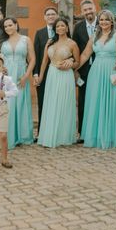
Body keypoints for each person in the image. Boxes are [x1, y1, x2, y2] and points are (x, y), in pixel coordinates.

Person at [77, 10, 116, 149]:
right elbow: (86, 54)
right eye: (101, 20)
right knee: (96, 102)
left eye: (106, 20)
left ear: (112, 21)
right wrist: (74, 68)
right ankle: (94, 135)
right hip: (96, 72)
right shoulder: (94, 36)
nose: (103, 22)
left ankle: (110, 136)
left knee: (111, 103)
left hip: (112, 71)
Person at [0, 17, 35, 148]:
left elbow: (32, 59)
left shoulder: (26, 40)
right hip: (5, 77)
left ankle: (22, 136)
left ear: (16, 25)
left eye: (10, 25)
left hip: (21, 75)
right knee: (7, 105)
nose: (8, 28)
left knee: (20, 103)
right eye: (5, 26)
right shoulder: (1, 41)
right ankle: (7, 136)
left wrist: (26, 76)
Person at [36, 18, 80, 148]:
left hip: (65, 76)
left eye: (62, 26)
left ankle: (63, 136)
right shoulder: (50, 43)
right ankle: (48, 134)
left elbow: (77, 62)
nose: (60, 28)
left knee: (63, 103)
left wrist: (70, 63)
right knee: (51, 103)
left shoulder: (72, 44)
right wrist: (40, 77)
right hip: (51, 74)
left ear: (67, 28)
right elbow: (44, 61)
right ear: (55, 29)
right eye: (58, 26)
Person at [72, 0, 97, 143]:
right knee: (83, 100)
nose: (88, 12)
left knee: (99, 99)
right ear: (82, 13)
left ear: (95, 8)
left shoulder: (105, 23)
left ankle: (97, 130)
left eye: (90, 8)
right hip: (84, 71)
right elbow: (76, 50)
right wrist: (76, 71)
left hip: (101, 69)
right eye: (85, 10)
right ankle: (82, 132)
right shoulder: (78, 27)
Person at [33, 7, 58, 134]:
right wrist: (36, 73)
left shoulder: (62, 31)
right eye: (48, 14)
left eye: (53, 14)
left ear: (57, 16)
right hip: (43, 74)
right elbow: (35, 55)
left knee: (57, 101)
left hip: (58, 73)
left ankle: (55, 130)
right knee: (42, 101)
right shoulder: (39, 33)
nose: (51, 16)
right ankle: (41, 131)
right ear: (44, 17)